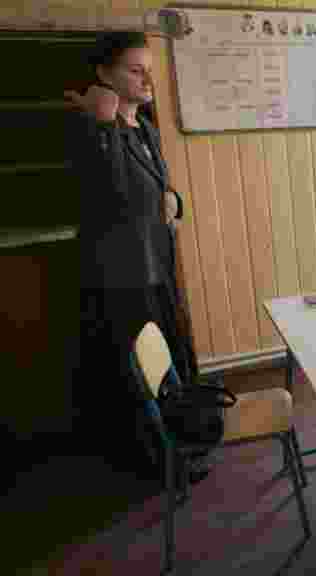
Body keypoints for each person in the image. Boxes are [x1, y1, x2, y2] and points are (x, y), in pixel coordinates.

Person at [65, 32, 196, 479]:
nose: (147, 80)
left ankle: (180, 448)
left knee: (169, 364)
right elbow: (111, 196)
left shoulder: (145, 128)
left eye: (149, 71)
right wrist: (103, 123)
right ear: (104, 74)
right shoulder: (90, 128)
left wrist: (175, 201)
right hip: (122, 275)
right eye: (135, 71)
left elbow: (159, 189)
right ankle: (155, 462)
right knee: (141, 374)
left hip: (156, 265)